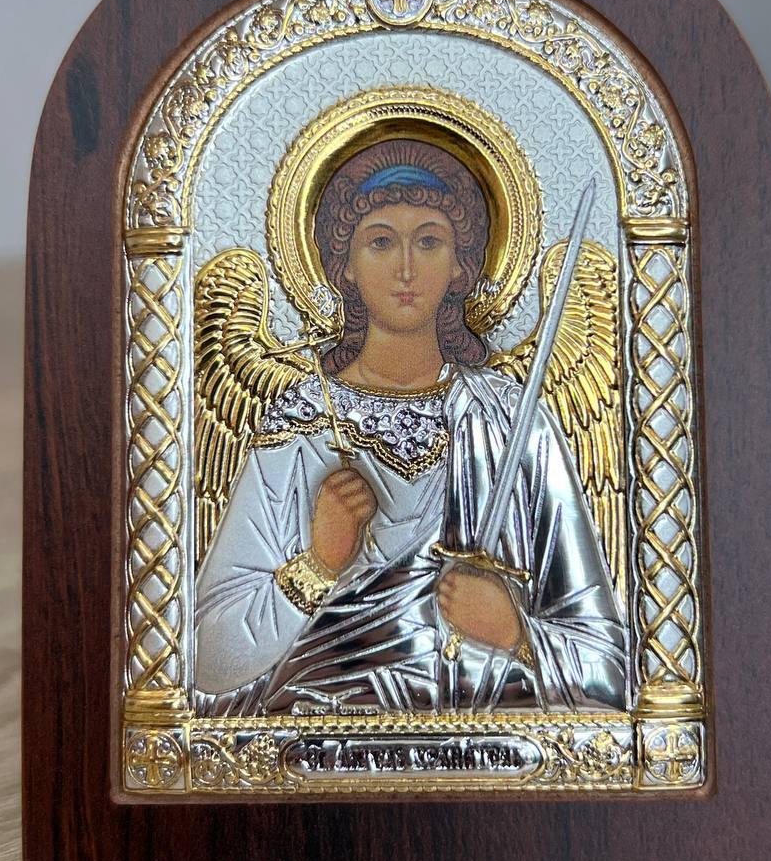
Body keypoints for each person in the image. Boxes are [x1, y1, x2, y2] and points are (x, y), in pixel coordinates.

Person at [194, 140, 627, 715]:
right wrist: (317, 565)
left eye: (428, 241)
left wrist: (515, 632)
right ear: (344, 266)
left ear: (460, 265)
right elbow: (205, 660)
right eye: (380, 242)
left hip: (484, 745)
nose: (405, 268)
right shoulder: (299, 429)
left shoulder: (512, 425)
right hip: (320, 738)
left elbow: (610, 674)